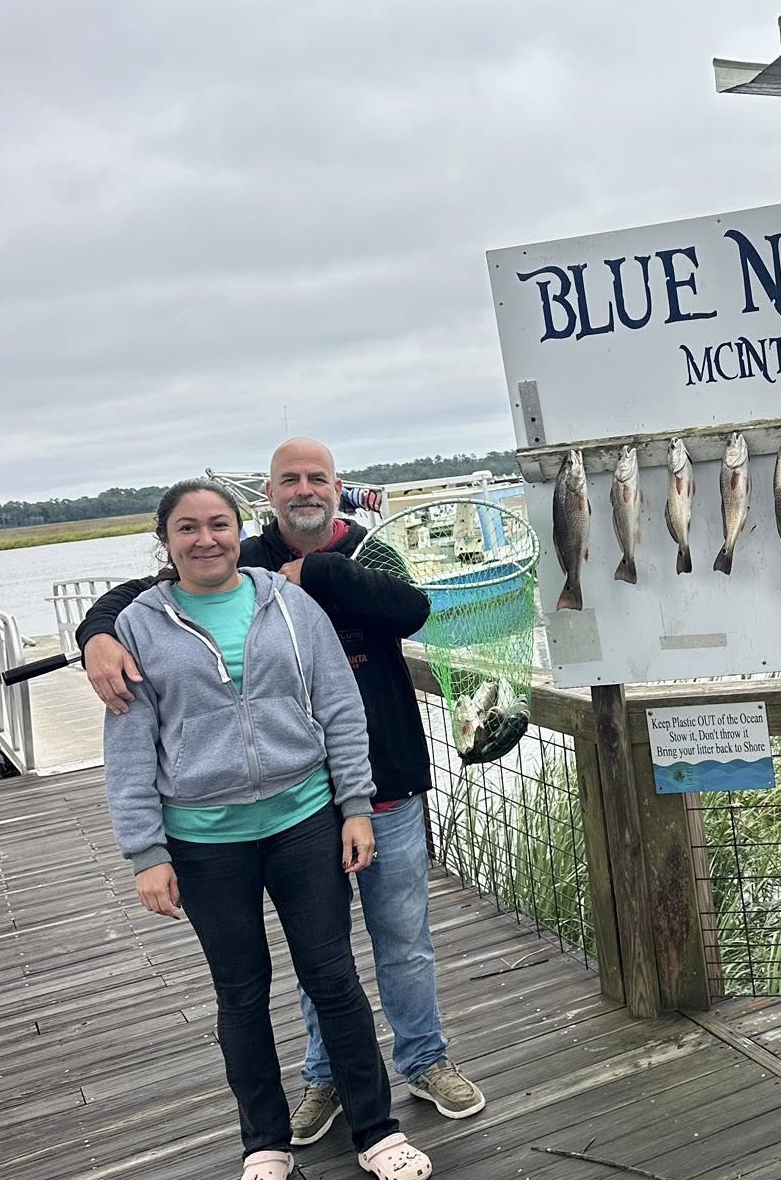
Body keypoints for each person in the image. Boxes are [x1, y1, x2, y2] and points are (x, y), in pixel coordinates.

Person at [79, 440, 487, 1140]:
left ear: (337, 487)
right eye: (289, 479)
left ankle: (425, 1059)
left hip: (383, 785)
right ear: (267, 494)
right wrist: (96, 634)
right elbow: (143, 594)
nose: (304, 490)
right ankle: (327, 1076)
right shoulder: (245, 559)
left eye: (317, 478)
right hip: (307, 804)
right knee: (319, 955)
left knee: (404, 940)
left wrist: (321, 570)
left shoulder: (368, 551)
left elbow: (413, 609)